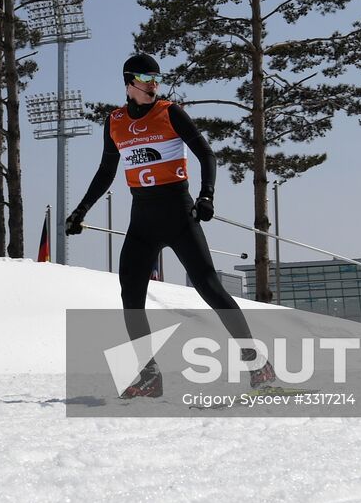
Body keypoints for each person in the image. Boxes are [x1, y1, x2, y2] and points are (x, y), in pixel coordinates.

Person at [66, 52, 274, 397]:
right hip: (142, 221)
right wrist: (81, 210)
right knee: (130, 296)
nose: (153, 85)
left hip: (179, 214)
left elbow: (207, 154)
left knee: (210, 288)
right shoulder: (115, 121)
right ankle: (149, 376)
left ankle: (257, 362)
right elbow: (106, 172)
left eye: (156, 80)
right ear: (129, 82)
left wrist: (206, 196)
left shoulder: (169, 112)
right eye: (147, 80)